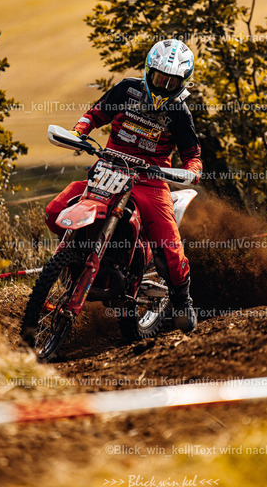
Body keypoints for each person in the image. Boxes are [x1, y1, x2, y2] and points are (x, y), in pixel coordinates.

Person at [45, 38, 202, 333]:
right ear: (148, 71)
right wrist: (79, 132)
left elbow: (192, 153)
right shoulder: (127, 90)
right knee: (55, 211)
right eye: (159, 78)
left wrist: (190, 171)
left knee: (169, 247)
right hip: (108, 167)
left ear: (182, 83)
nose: (164, 86)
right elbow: (95, 114)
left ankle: (183, 301)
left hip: (150, 180)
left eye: (171, 82)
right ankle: (71, 265)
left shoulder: (179, 112)